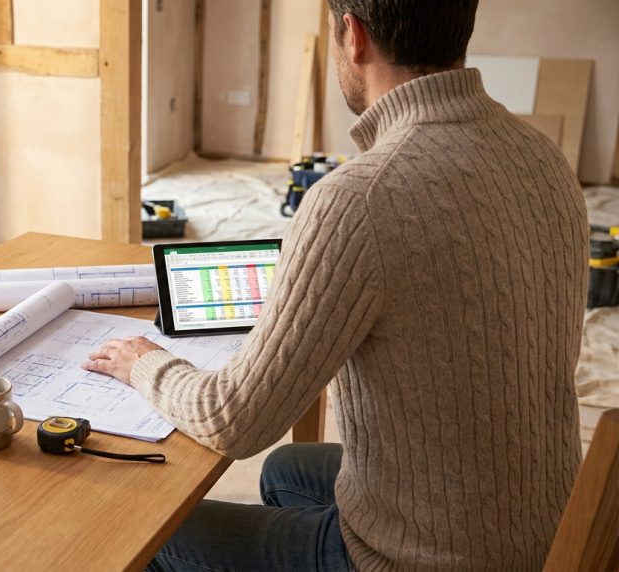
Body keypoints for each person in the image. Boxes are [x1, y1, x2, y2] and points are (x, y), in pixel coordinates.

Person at [82, 0, 588, 569]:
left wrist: (143, 361)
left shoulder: (360, 197)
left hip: (431, 558)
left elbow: (234, 422)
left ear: (353, 36)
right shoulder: (543, 156)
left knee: (153, 530)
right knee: (286, 471)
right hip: (546, 526)